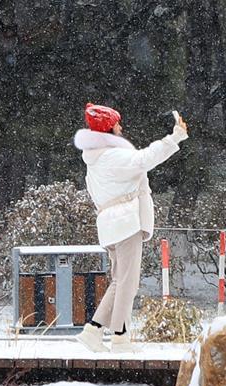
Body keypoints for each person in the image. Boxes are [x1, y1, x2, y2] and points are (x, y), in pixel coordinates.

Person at [74, 103, 188, 352]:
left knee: (121, 281)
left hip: (110, 223)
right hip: (125, 222)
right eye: (117, 124)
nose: (121, 128)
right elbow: (145, 159)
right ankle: (118, 337)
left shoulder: (95, 158)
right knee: (127, 282)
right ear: (108, 129)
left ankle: (95, 331)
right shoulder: (112, 155)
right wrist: (175, 137)